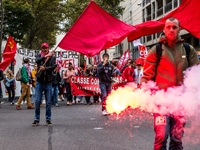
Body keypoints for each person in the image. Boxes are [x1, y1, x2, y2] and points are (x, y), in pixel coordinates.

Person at [140, 18, 199, 150]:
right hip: (161, 102)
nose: (171, 30)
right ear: (164, 29)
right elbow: (147, 76)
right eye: (168, 27)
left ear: (179, 29)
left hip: (181, 102)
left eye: (174, 27)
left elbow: (196, 74)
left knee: (177, 139)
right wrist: (144, 94)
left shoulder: (188, 50)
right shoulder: (156, 50)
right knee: (161, 136)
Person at [32, 42, 56, 126]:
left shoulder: (52, 57)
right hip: (39, 82)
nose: (44, 49)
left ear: (48, 48)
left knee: (48, 102)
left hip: (48, 83)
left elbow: (53, 66)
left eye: (45, 48)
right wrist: (44, 57)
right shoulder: (40, 56)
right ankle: (36, 118)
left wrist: (45, 68)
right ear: (41, 48)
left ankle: (48, 119)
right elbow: (36, 60)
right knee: (37, 101)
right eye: (43, 48)